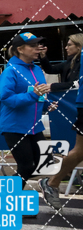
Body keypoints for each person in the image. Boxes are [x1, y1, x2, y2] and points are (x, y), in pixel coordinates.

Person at [0, 32, 59, 208]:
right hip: (14, 127)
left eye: (38, 45)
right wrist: (33, 95)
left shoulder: (37, 69)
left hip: (34, 126)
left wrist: (47, 104)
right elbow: (7, 99)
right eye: (33, 46)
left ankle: (41, 185)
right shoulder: (10, 71)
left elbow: (38, 94)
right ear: (20, 49)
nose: (38, 48)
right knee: (26, 165)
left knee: (45, 164)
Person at [40, 35, 83, 208]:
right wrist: (43, 57)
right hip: (80, 104)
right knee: (79, 151)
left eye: (69, 45)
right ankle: (52, 182)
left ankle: (52, 183)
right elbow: (52, 70)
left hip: (77, 103)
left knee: (79, 151)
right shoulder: (72, 62)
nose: (66, 48)